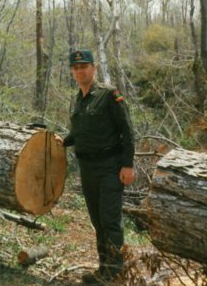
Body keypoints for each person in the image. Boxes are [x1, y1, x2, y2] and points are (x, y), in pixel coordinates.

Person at [56, 49, 135, 285]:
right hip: (87, 169)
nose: (80, 71)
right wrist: (64, 141)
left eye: (85, 67)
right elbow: (81, 131)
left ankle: (115, 274)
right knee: (98, 222)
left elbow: (127, 132)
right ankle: (104, 270)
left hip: (110, 168)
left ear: (94, 69)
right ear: (72, 71)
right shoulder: (79, 98)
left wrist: (127, 165)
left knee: (110, 221)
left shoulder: (109, 95)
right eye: (76, 68)